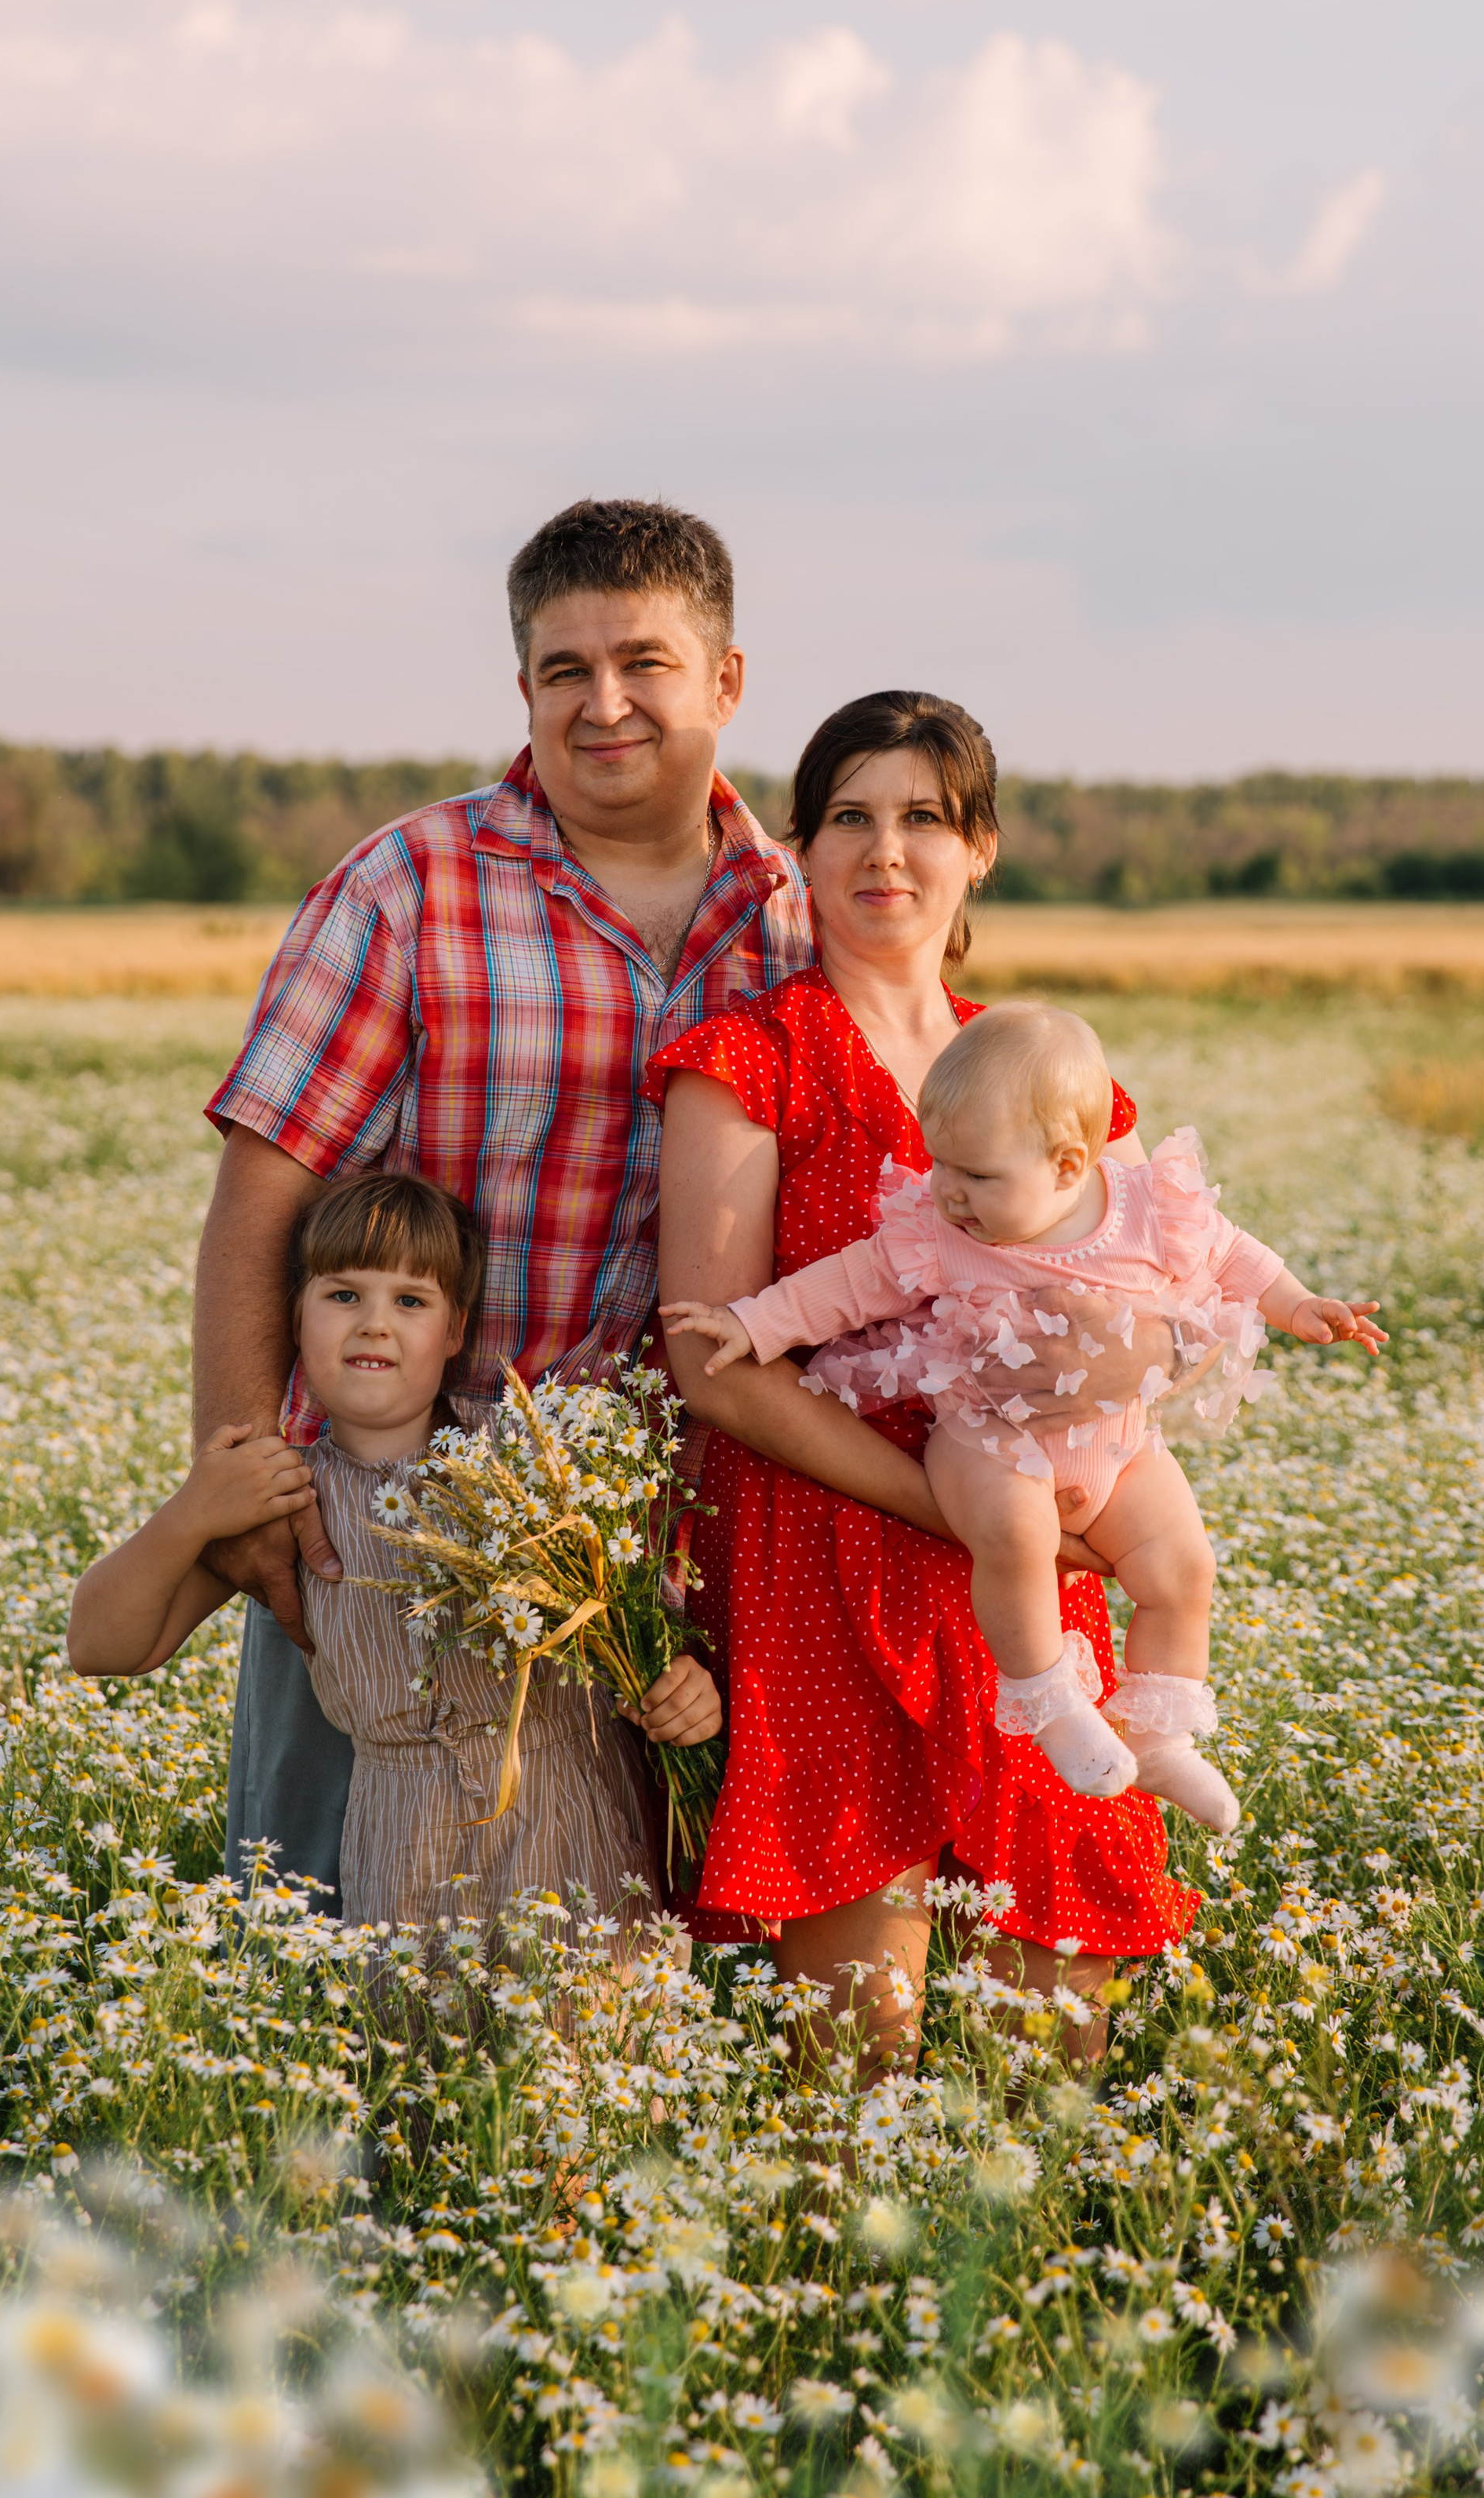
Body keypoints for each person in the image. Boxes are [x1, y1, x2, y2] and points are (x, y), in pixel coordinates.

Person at [195, 500, 813, 1913]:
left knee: (628, 1956)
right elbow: (264, 1189)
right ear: (522, 685)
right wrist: (236, 1481)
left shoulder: (798, 914)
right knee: (329, 1934)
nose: (605, 704)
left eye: (646, 663)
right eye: (564, 669)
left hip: (664, 1559)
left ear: (726, 680)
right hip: (385, 1533)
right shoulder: (410, 884)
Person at [649, 687, 1201, 2076]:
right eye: (848, 817)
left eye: (924, 819)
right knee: (858, 2050)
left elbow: (1149, 1294)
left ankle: (1035, 2225)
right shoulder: (747, 1063)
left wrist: (1113, 1465)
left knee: (1056, 2025)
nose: (884, 851)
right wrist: (950, 1506)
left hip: (1031, 1552)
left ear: (980, 850)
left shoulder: (1050, 1069)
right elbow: (713, 1368)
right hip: (829, 1554)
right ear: (799, 848)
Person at [667, 997, 1387, 1836]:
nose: (948, 1191)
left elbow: (1231, 1253)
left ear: (1068, 1163)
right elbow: (846, 1287)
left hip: (1117, 1448)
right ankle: (1051, 1703)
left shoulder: (1146, 1206)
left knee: (1184, 1565)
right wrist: (751, 1324)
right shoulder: (940, 1232)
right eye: (940, 1164)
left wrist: (1299, 1304)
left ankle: (1158, 1736)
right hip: (988, 1440)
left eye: (975, 1176)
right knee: (1015, 1535)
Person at [72, 1169, 663, 1939]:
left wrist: (681, 1686)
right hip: (402, 1862)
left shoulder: (529, 1469)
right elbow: (100, 1646)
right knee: (413, 2017)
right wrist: (191, 1514)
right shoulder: (289, 1504)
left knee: (582, 2013)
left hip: (569, 1836)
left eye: (410, 1302)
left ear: (455, 1332)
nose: (374, 1325)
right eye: (344, 1295)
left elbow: (640, 1633)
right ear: (294, 1318)